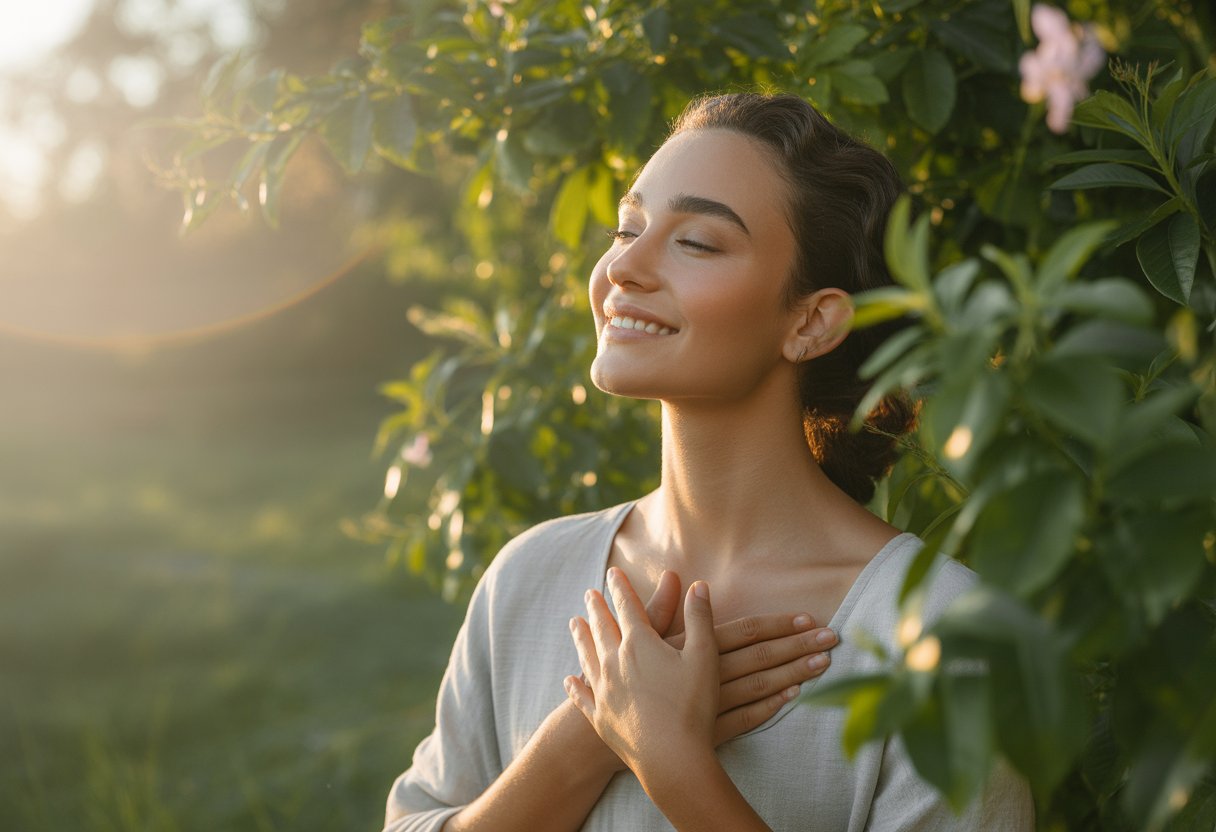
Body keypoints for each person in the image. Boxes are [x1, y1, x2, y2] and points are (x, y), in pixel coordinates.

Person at [384, 92, 1034, 831]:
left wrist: (670, 760)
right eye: (627, 228)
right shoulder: (526, 579)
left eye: (695, 241)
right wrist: (582, 740)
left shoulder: (942, 634)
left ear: (811, 321)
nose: (624, 264)